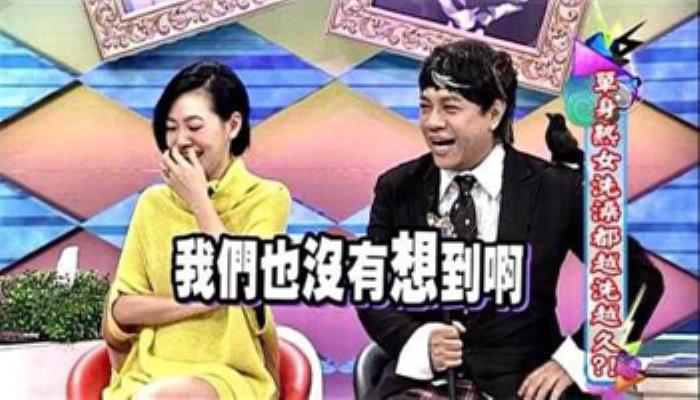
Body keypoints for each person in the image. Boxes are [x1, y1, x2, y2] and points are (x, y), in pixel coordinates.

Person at [357, 39, 664, 399]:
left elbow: (639, 280)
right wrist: (418, 340)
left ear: (494, 113)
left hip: (526, 385)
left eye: (450, 107)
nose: (432, 123)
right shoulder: (398, 188)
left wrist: (576, 359)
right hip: (423, 385)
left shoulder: (557, 189)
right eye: (425, 107)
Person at [101, 61, 291, 400]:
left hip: (230, 374)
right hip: (148, 372)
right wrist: (198, 301)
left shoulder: (267, 197)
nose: (180, 141)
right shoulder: (153, 203)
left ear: (233, 125)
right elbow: (123, 308)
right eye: (171, 128)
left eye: (194, 126)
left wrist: (198, 199)